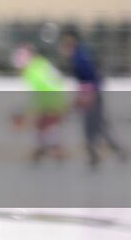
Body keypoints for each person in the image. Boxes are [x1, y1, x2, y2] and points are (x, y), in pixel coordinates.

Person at [60, 29, 126, 168]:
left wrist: (88, 95)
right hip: (91, 95)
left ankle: (98, 154)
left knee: (92, 127)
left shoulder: (81, 58)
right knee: (98, 127)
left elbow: (93, 78)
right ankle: (113, 151)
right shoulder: (79, 56)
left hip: (92, 96)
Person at [11, 44, 70, 164]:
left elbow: (41, 92)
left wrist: (26, 113)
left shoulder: (33, 71)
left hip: (52, 100)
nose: (19, 70)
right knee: (44, 126)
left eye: (20, 67)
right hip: (56, 98)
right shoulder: (40, 64)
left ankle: (52, 150)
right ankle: (45, 149)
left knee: (46, 125)